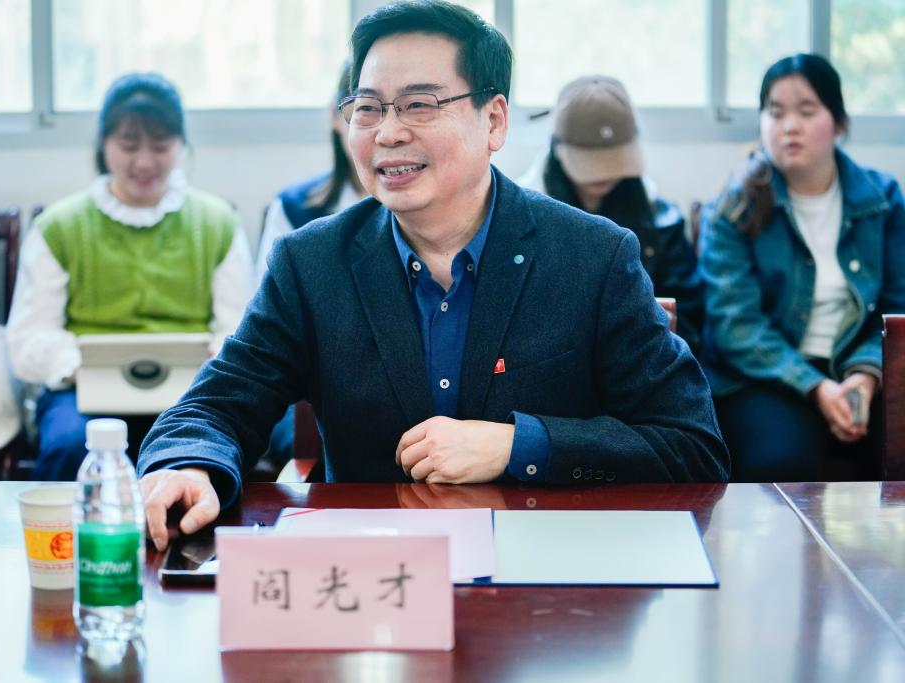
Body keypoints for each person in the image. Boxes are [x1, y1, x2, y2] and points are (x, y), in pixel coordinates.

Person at [137, 0, 728, 551]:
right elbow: (214, 406)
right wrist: (187, 466)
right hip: (374, 576)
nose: (388, 132)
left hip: (549, 571)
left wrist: (519, 445)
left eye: (419, 104)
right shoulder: (310, 264)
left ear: (494, 122)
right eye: (368, 107)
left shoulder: (593, 256)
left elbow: (692, 446)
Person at [6, 72, 255, 481]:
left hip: (190, 390)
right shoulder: (59, 226)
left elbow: (238, 330)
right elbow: (28, 337)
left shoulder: (217, 223)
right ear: (102, 145)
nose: (144, 162)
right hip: (82, 391)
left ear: (181, 145)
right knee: (71, 446)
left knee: (196, 454)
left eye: (160, 146)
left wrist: (201, 363)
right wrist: (86, 367)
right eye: (128, 145)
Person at [698, 53, 905, 482]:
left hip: (860, 368)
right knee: (779, 462)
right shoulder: (734, 207)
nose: (789, 126)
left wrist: (866, 375)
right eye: (775, 113)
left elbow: (897, 304)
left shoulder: (883, 200)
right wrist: (816, 386)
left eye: (807, 111)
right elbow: (736, 325)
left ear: (839, 123)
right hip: (765, 376)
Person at [517, 75, 702, 349]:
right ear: (557, 149)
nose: (602, 175)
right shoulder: (521, 221)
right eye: (590, 162)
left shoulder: (661, 221)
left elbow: (688, 317)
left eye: (614, 160)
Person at [255, 61, 368, 468]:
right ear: (335, 117)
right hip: (308, 387)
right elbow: (266, 321)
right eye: (363, 109)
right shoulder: (296, 208)